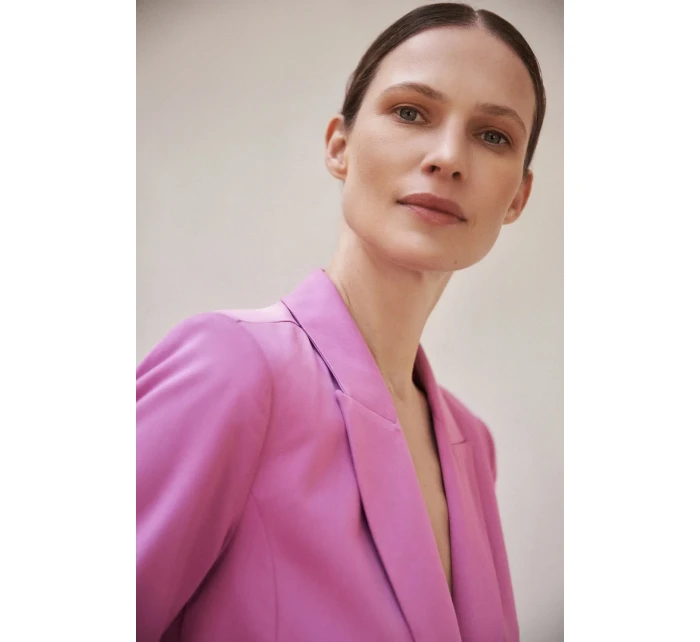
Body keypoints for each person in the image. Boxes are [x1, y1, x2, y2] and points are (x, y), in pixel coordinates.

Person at [136, 3, 547, 641]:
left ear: (517, 195)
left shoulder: (473, 447)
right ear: (339, 146)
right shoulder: (231, 370)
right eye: (411, 112)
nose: (447, 157)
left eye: (493, 136)